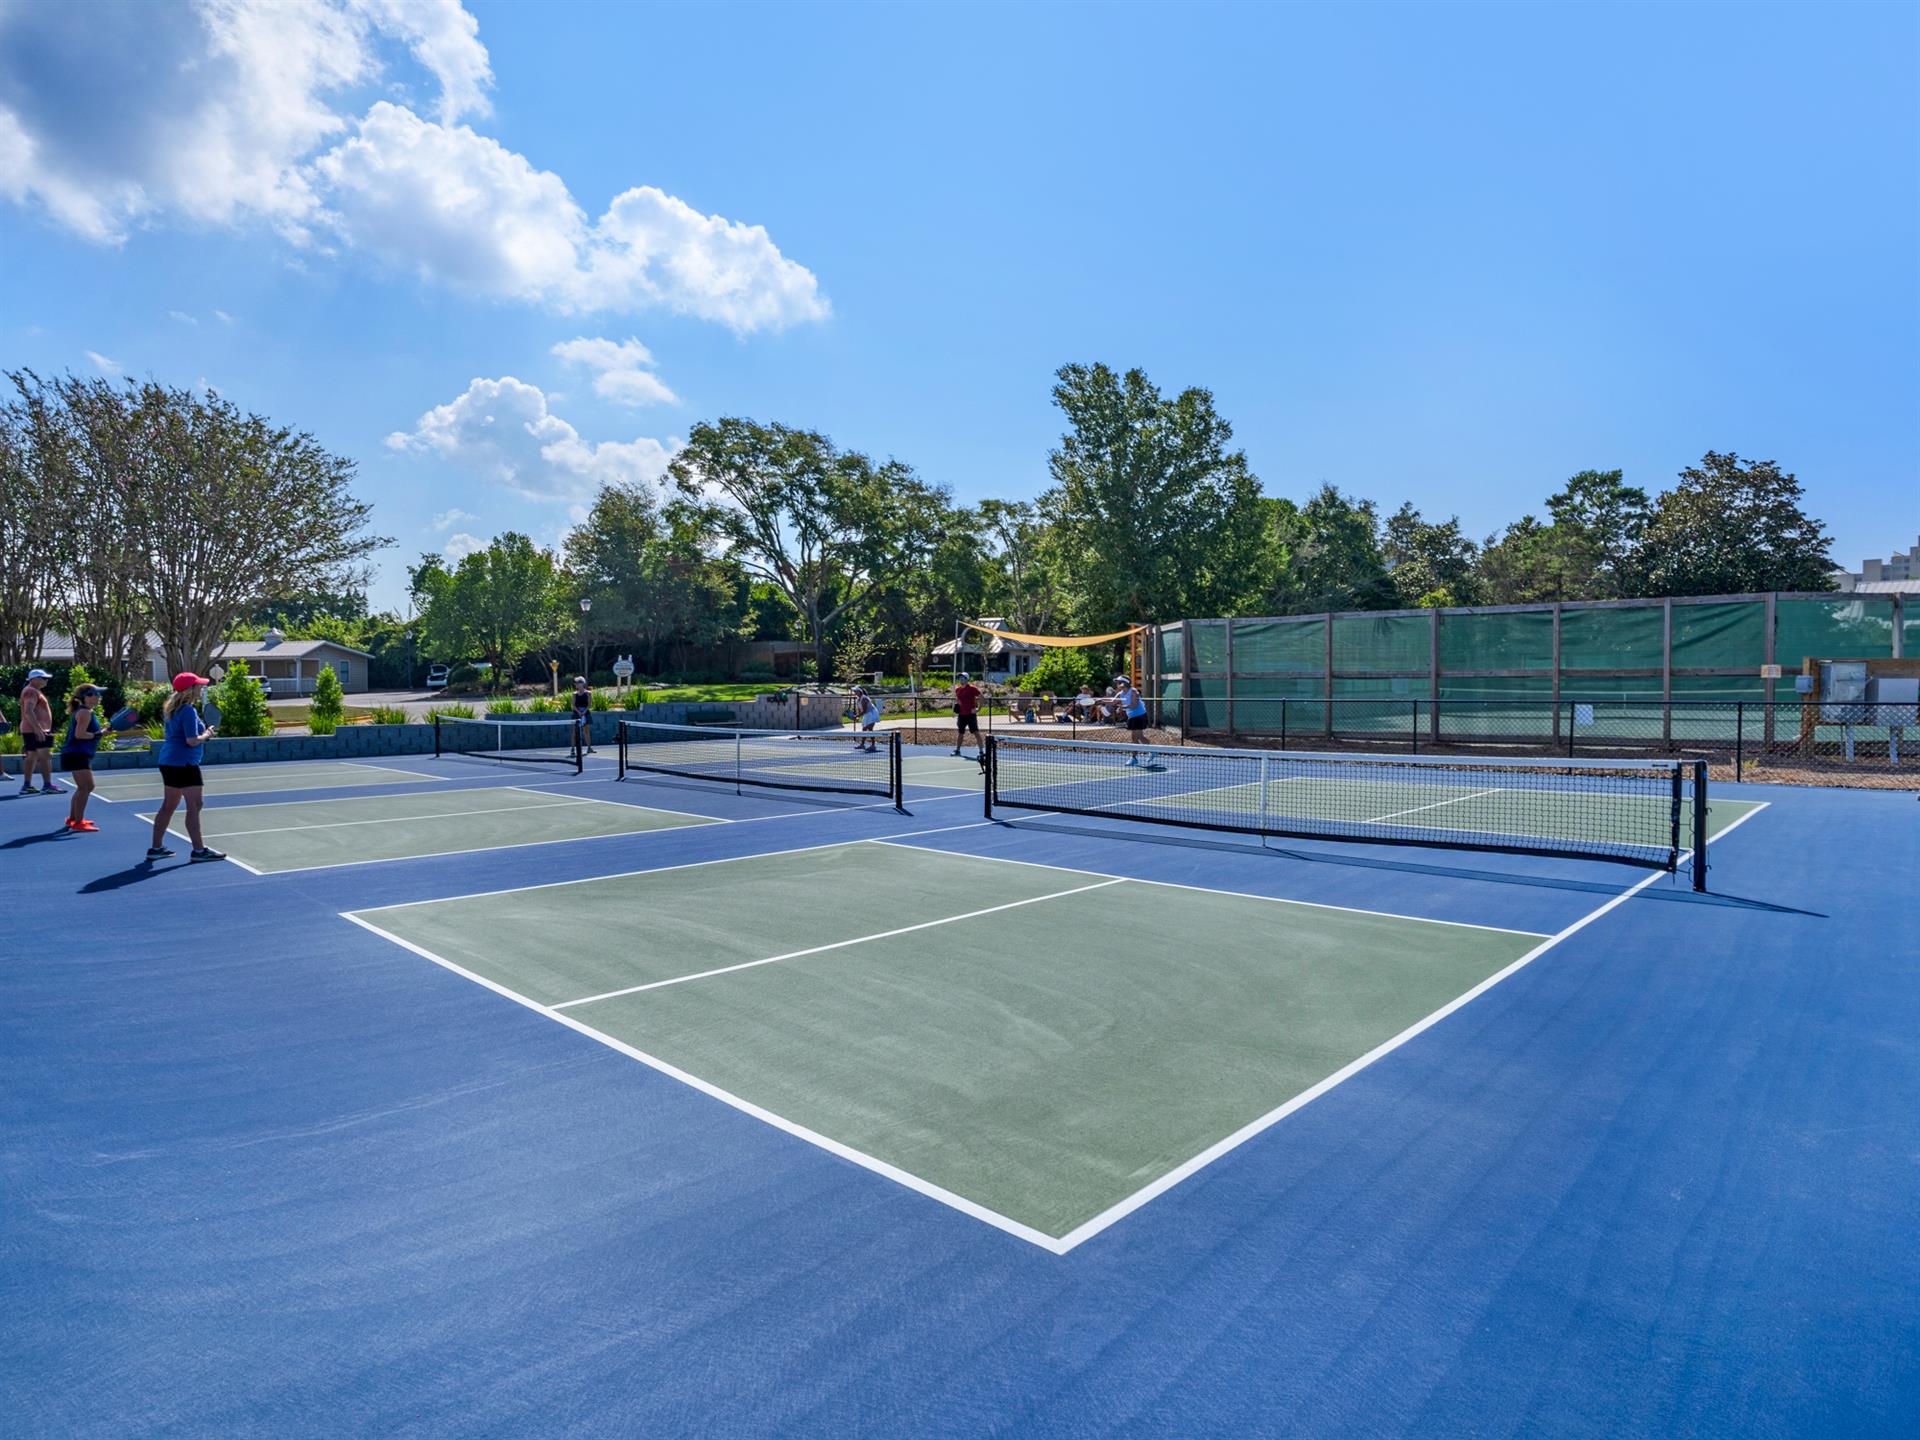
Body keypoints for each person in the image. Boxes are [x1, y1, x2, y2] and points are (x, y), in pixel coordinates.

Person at [148, 673, 225, 864]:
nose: (201, 688)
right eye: (198, 686)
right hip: (185, 763)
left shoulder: (172, 709)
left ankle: (155, 848)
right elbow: (191, 741)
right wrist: (206, 734)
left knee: (169, 805)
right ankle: (198, 851)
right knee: (195, 805)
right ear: (190, 689)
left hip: (168, 761)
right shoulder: (188, 711)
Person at [58, 683, 107, 831]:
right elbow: (80, 735)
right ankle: (78, 823)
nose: (99, 697)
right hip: (76, 754)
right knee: (85, 787)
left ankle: (73, 819)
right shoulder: (85, 713)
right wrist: (98, 734)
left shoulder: (84, 711)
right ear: (86, 697)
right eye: (96, 694)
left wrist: (100, 733)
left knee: (84, 787)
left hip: (77, 754)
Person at [16, 668, 62, 796]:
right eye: (43, 678)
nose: (46, 680)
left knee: (32, 757)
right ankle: (47, 785)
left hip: (32, 730)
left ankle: (27, 785)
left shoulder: (32, 691)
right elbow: (28, 711)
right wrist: (38, 729)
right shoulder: (31, 691)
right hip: (36, 730)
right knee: (45, 757)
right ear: (34, 679)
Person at [1114, 673, 1155, 766]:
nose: (1117, 684)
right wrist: (1098, 701)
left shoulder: (1133, 691)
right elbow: (1112, 701)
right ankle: (1153, 750)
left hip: (1139, 716)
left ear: (1123, 683)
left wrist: (1122, 707)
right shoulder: (1120, 694)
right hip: (1132, 717)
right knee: (1139, 737)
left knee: (1134, 738)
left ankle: (1134, 758)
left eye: (1118, 682)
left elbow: (1134, 705)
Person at [951, 671, 982, 758]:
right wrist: (958, 705)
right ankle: (957, 750)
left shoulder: (972, 688)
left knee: (976, 732)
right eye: (960, 678)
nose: (961, 680)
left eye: (963, 678)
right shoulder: (957, 690)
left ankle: (981, 751)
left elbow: (981, 697)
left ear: (967, 679)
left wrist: (978, 709)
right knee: (960, 733)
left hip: (971, 715)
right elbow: (959, 700)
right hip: (961, 715)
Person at [852, 684, 882, 752]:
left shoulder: (864, 698)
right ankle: (862, 744)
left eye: (856, 691)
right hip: (866, 714)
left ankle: (873, 745)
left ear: (860, 691)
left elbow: (864, 710)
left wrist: (857, 716)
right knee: (864, 729)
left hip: (872, 713)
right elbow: (860, 710)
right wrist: (857, 717)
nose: (855, 692)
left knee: (870, 729)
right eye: (854, 691)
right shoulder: (857, 700)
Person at [571, 675, 596, 755]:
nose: (577, 684)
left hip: (586, 713)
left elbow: (589, 705)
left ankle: (589, 748)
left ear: (583, 683)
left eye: (578, 683)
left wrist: (584, 712)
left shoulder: (588, 693)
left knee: (586, 731)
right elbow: (573, 705)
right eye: (576, 683)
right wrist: (579, 712)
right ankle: (572, 749)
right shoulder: (574, 694)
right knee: (574, 732)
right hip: (576, 714)